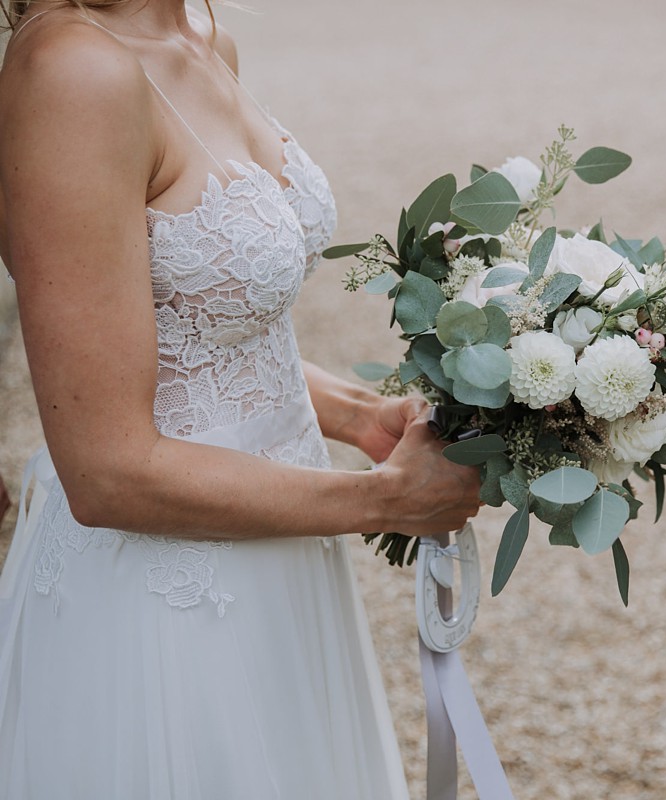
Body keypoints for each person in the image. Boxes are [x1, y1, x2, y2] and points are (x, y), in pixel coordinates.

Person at [0, 1, 481, 796]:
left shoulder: (203, 35)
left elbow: (209, 325)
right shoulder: (72, 74)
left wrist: (359, 415)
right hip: (164, 606)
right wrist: (385, 501)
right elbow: (107, 469)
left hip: (283, 554)